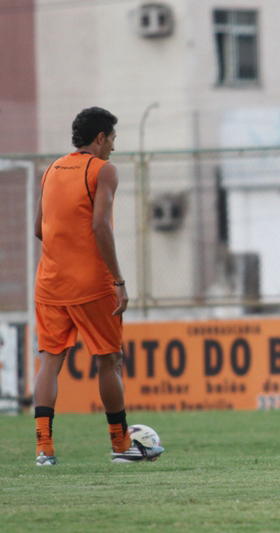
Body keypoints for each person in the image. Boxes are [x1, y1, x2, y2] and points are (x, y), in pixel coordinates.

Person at [33, 107, 164, 465]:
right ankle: (120, 444)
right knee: (109, 361)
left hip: (49, 283)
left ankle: (44, 448)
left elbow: (39, 229)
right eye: (113, 140)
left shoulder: (51, 170)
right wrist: (119, 281)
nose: (113, 148)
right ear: (100, 138)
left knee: (49, 361)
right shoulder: (103, 170)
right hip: (91, 283)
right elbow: (101, 227)